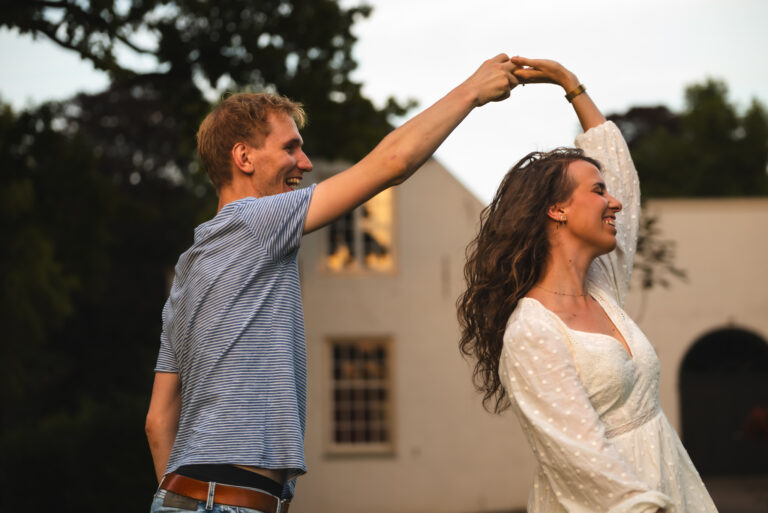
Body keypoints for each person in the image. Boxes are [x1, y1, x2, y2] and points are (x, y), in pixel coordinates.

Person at [144, 54, 518, 513]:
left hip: (187, 498)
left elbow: (158, 421)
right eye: (290, 148)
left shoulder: (189, 267)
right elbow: (393, 162)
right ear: (243, 157)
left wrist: (184, 501)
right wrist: (472, 92)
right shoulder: (257, 221)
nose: (304, 161)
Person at [458, 57, 718, 513]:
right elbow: (581, 457)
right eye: (598, 191)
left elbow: (623, 179)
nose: (613, 199)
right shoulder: (531, 332)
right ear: (556, 209)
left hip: (673, 485)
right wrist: (645, 506)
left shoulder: (603, 288)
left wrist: (569, 85)